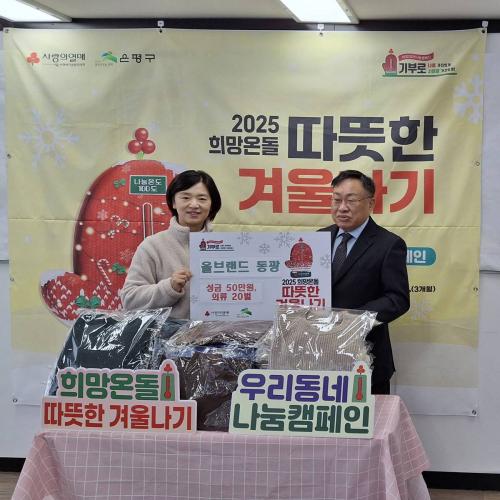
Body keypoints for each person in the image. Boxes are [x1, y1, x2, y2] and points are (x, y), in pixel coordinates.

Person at [318, 170, 410, 394]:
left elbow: (397, 299)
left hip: (365, 359)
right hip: (318, 356)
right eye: (336, 199)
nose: (342, 207)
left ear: (370, 203)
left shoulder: (388, 244)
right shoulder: (318, 238)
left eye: (351, 200)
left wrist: (352, 318)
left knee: (369, 417)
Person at [120, 170, 222, 318]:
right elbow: (130, 300)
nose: (194, 204)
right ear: (173, 202)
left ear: (212, 204)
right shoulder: (152, 246)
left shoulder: (227, 247)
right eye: (186, 197)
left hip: (217, 332)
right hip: (166, 332)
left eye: (202, 199)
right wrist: (169, 287)